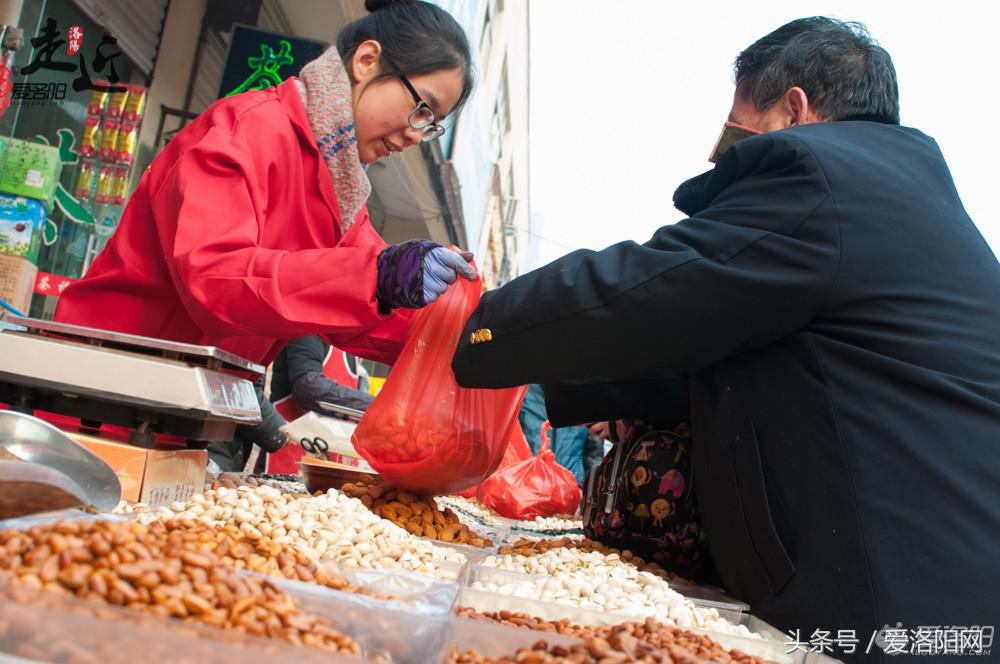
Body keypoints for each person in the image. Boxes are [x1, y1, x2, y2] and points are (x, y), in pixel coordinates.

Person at [452, 17, 1000, 660]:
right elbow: (735, 358)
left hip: (884, 604)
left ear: (794, 108)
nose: (727, 152)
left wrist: (472, 327)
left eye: (738, 129)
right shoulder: (910, 196)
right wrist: (549, 376)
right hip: (949, 585)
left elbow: (653, 288)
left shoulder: (821, 174)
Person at [54, 0, 477, 392]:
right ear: (367, 61)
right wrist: (380, 276)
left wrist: (471, 327)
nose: (416, 135)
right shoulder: (243, 131)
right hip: (104, 380)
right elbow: (216, 279)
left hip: (183, 397)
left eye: (432, 126)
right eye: (423, 109)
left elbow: (364, 307)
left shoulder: (341, 186)